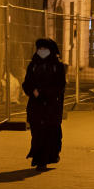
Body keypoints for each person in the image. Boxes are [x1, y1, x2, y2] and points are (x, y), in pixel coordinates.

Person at [22, 38, 66, 171]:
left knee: (50, 132)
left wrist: (46, 93)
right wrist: (33, 91)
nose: (41, 51)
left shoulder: (57, 66)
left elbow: (60, 86)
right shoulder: (33, 65)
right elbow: (27, 83)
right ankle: (38, 157)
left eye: (44, 48)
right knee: (37, 133)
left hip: (51, 106)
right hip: (36, 106)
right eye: (39, 48)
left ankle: (46, 159)